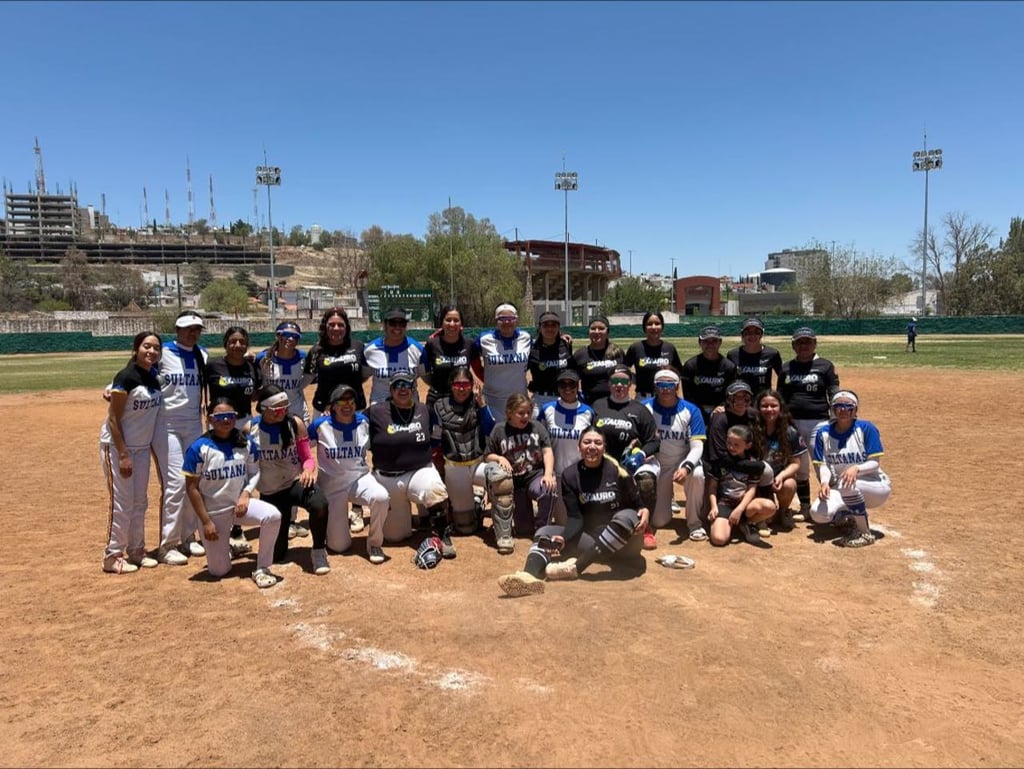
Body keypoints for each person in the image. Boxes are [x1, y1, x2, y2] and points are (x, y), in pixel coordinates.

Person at [497, 427, 649, 595]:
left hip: (624, 544)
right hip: (593, 542)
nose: (592, 446)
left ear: (604, 448)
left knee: (627, 516)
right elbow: (575, 517)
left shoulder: (618, 472)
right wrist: (564, 537)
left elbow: (638, 505)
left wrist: (644, 511)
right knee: (545, 532)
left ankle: (576, 567)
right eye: (587, 442)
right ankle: (528, 577)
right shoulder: (570, 476)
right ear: (579, 447)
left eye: (598, 443)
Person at [184, 400, 282, 589]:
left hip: (239, 506)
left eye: (230, 416)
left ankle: (263, 568)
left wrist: (246, 494)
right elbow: (192, 488)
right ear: (210, 420)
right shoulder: (198, 449)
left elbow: (254, 473)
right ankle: (227, 547)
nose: (226, 420)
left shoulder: (245, 443)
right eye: (220, 417)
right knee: (219, 571)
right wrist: (206, 522)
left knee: (273, 516)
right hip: (213, 514)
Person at [367, 371, 453, 557]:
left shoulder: (424, 411)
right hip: (387, 478)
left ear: (414, 388)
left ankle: (442, 533)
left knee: (434, 488)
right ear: (391, 389)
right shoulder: (376, 412)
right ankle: (407, 519)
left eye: (407, 385)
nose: (403, 389)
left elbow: (436, 438)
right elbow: (352, 424)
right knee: (395, 537)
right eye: (398, 385)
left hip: (419, 471)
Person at [250, 385, 332, 575]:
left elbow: (307, 458)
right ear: (263, 408)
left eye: (285, 407)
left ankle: (319, 550)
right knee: (277, 556)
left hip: (293, 484)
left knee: (319, 503)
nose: (282, 412)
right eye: (277, 409)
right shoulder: (251, 429)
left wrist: (308, 470)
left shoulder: (294, 424)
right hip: (270, 493)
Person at [100, 331, 163, 574]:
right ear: (136, 349)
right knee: (122, 502)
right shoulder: (126, 377)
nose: (151, 351)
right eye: (146, 346)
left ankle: (136, 550)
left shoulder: (154, 377)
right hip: (118, 448)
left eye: (156, 348)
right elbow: (114, 419)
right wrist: (123, 454)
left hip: (141, 448)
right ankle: (112, 555)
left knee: (140, 501)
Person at [310, 384, 391, 564]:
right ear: (332, 406)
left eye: (351, 401)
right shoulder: (320, 425)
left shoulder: (364, 421)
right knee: (339, 547)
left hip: (359, 479)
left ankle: (375, 543)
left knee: (381, 497)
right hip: (332, 486)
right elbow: (303, 448)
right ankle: (335, 526)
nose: (347, 405)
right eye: (341, 401)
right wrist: (307, 468)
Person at [153, 310, 209, 565]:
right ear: (177, 330)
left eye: (197, 328)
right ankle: (168, 544)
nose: (193, 332)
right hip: (167, 425)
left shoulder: (202, 355)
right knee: (175, 483)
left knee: (193, 483)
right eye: (188, 328)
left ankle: (188, 536)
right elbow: (138, 370)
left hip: (193, 424)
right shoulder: (162, 352)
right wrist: (113, 387)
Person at [590, 364, 661, 549]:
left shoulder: (640, 410)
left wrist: (640, 455)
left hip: (631, 463)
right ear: (609, 383)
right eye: (615, 381)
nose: (619, 386)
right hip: (604, 461)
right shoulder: (598, 405)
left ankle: (646, 528)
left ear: (630, 384)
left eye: (624, 381)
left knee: (646, 480)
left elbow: (654, 441)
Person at [206, 325, 263, 555]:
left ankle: (236, 529)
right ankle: (214, 525)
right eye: (233, 341)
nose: (237, 345)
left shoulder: (252, 367)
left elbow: (257, 393)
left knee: (241, 474)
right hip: (220, 424)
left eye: (241, 341)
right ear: (225, 343)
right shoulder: (212, 365)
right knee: (219, 474)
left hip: (244, 423)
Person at [811, 390, 892, 548]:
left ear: (855, 409)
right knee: (818, 514)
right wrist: (825, 483)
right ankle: (849, 515)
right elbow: (824, 465)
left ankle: (864, 533)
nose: (843, 410)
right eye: (838, 406)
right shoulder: (823, 433)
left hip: (875, 485)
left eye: (848, 406)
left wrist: (856, 468)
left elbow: (875, 463)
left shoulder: (866, 428)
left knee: (846, 485)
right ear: (833, 409)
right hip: (845, 485)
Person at [483, 392, 558, 554]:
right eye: (521, 413)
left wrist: (548, 474)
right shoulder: (499, 429)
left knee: (548, 489)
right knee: (524, 530)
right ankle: (528, 515)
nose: (525, 416)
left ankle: (542, 531)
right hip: (513, 484)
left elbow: (547, 452)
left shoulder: (537, 427)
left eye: (528, 413)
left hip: (534, 477)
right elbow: (487, 455)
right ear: (509, 412)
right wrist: (499, 458)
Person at [779, 326, 841, 520]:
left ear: (815, 344)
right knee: (801, 466)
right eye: (800, 342)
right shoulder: (786, 368)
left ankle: (835, 505)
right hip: (793, 423)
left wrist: (837, 414)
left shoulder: (825, 366)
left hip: (819, 422)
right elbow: (780, 396)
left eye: (808, 342)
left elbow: (833, 392)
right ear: (793, 346)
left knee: (822, 463)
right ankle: (805, 507)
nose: (804, 345)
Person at [643, 368, 707, 543]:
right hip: (658, 462)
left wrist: (686, 467)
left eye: (670, 384)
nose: (665, 389)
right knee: (659, 521)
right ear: (655, 386)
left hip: (681, 460)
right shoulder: (645, 407)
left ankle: (694, 523)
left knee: (697, 474)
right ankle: (665, 504)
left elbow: (697, 446)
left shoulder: (691, 410)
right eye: (661, 384)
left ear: (677, 385)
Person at [431, 367, 496, 539]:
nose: (461, 388)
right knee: (466, 528)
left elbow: (491, 430)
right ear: (451, 385)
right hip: (454, 466)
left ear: (472, 386)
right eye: (458, 384)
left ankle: (502, 532)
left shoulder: (478, 403)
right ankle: (475, 502)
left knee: (501, 479)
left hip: (478, 463)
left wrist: (482, 404)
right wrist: (437, 467)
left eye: (466, 384)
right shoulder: (439, 406)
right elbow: (435, 440)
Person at [706, 424, 776, 547]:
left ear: (747, 445)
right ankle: (729, 523)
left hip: (745, 504)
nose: (731, 447)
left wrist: (739, 509)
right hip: (725, 503)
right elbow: (712, 487)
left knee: (770, 507)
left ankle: (747, 523)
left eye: (736, 444)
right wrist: (713, 507)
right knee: (718, 539)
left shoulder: (753, 464)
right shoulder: (721, 460)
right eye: (729, 443)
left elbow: (751, 490)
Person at [752, 389, 806, 533]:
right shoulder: (751, 429)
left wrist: (781, 476)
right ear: (757, 408)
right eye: (764, 406)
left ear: (781, 407)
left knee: (789, 484)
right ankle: (761, 517)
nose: (769, 409)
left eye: (773, 405)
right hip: (756, 478)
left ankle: (783, 511)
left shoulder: (790, 432)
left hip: (777, 476)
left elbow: (796, 463)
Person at [304, 306, 369, 414]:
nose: (336, 328)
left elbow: (365, 375)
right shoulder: (316, 351)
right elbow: (308, 377)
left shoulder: (358, 347)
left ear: (346, 327)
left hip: (355, 408)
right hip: (324, 411)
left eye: (340, 325)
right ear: (325, 327)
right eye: (331, 325)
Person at [472, 302, 532, 414]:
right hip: (492, 400)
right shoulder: (484, 339)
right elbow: (471, 356)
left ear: (516, 319)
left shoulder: (526, 337)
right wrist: (484, 377)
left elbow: (543, 345)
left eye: (511, 318)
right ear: (496, 320)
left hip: (519, 400)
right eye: (502, 318)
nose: (507, 322)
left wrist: (561, 336)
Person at [363, 308, 425, 406]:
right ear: (385, 325)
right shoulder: (370, 350)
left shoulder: (417, 349)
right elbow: (363, 376)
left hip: (409, 410)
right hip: (380, 410)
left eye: (402, 324)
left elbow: (425, 376)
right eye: (392, 323)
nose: (397, 327)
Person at [680, 325, 737, 425]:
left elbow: (730, 393)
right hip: (695, 410)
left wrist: (722, 406)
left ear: (720, 342)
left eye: (714, 341)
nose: (710, 345)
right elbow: (687, 394)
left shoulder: (729, 367)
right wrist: (698, 410)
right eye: (706, 341)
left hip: (721, 411)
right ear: (700, 343)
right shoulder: (690, 365)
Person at [255, 321, 312, 423]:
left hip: (298, 412)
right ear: (278, 336)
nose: (291, 339)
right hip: (271, 413)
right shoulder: (263, 358)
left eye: (295, 336)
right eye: (286, 335)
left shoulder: (303, 357)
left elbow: (310, 375)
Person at [421, 305, 477, 409]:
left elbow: (477, 369)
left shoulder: (469, 344)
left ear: (461, 324)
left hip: (463, 400)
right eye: (448, 320)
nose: (452, 324)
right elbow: (424, 373)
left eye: (456, 320)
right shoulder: (432, 344)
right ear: (442, 323)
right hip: (437, 401)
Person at [625, 311, 684, 399]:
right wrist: (631, 392)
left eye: (657, 323)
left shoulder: (669, 348)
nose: (653, 327)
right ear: (644, 327)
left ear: (662, 326)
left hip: (666, 396)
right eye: (649, 324)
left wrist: (680, 397)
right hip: (642, 397)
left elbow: (678, 375)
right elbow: (626, 372)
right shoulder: (636, 348)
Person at [572, 314, 626, 404]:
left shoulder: (618, 353)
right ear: (588, 331)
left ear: (607, 331)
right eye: (593, 328)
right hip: (589, 404)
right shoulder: (580, 354)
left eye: (601, 328)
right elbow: (572, 380)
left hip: (615, 402)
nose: (597, 332)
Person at [528, 311, 575, 411]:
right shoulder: (532, 349)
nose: (550, 328)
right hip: (540, 399)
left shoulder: (566, 345)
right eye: (545, 325)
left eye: (553, 325)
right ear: (540, 328)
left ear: (558, 328)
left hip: (563, 397)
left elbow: (573, 371)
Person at [726, 317, 783, 394]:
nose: (752, 336)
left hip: (762, 401)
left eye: (756, 332)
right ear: (742, 335)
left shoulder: (772, 354)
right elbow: (728, 380)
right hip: (741, 401)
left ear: (762, 334)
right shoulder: (733, 355)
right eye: (747, 333)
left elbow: (782, 377)